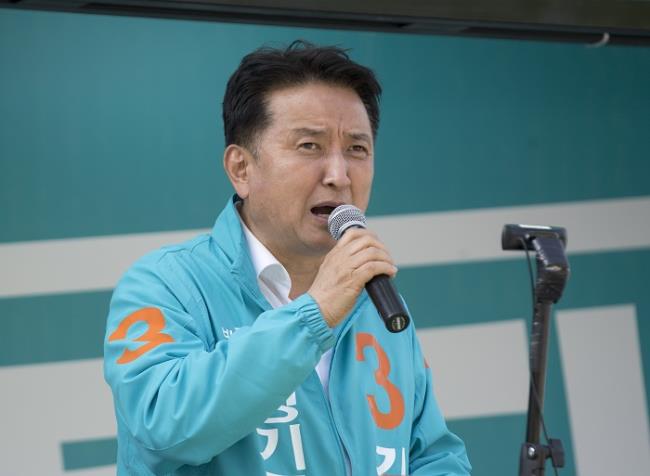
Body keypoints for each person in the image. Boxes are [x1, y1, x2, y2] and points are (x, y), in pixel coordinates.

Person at [104, 40, 471, 475]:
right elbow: (163, 424)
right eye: (309, 146)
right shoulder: (166, 284)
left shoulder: (377, 298)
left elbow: (432, 454)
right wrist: (314, 315)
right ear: (241, 169)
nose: (339, 175)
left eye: (357, 149)